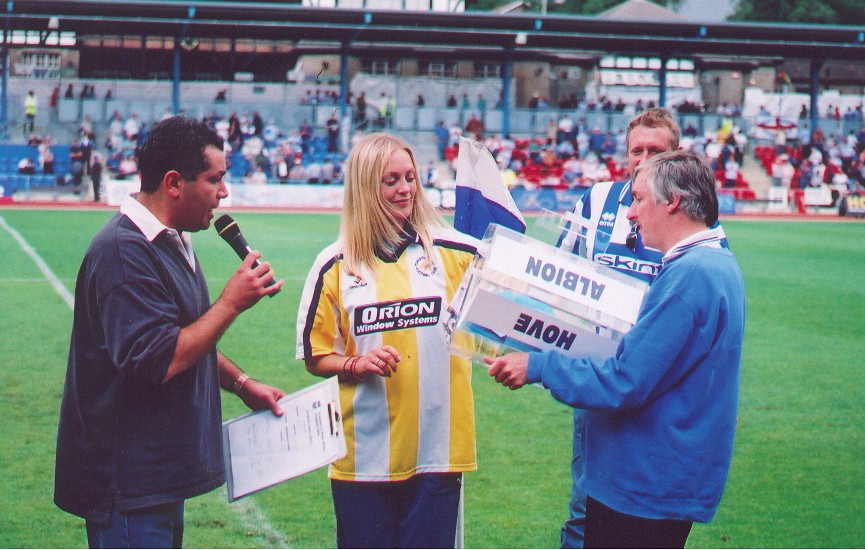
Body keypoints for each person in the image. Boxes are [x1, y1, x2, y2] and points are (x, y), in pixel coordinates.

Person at [486, 149, 745, 549]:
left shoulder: (692, 275)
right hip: (658, 479)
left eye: (639, 199)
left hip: (643, 485)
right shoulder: (714, 264)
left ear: (672, 201)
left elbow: (625, 380)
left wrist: (538, 365)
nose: (630, 213)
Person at [54, 115, 286, 549]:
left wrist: (242, 384)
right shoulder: (124, 251)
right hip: (126, 488)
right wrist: (230, 303)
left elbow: (182, 336)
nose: (224, 192)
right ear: (174, 182)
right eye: (215, 179)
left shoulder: (171, 240)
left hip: (152, 482)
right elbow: (157, 360)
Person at [296, 133, 478, 549]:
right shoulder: (335, 265)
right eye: (390, 180)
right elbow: (315, 355)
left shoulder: (455, 253)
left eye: (410, 178)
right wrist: (354, 364)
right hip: (363, 460)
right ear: (365, 187)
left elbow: (506, 308)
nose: (405, 190)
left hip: (438, 453)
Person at [556, 107, 728, 549]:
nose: (645, 159)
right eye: (638, 150)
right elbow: (556, 274)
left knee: (630, 514)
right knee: (585, 504)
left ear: (676, 157)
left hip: (652, 390)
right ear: (625, 153)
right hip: (598, 376)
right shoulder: (596, 203)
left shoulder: (697, 232)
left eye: (657, 150)